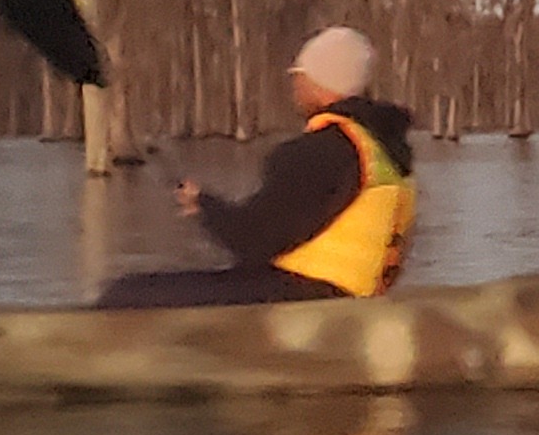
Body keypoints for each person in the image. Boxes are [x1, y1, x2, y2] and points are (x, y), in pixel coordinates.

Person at [99, 25, 417, 308]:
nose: (294, 85)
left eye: (299, 76)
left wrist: (208, 209)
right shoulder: (381, 148)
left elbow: (253, 241)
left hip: (313, 300)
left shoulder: (321, 150)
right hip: (350, 296)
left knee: (126, 294)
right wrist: (206, 204)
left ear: (318, 82)